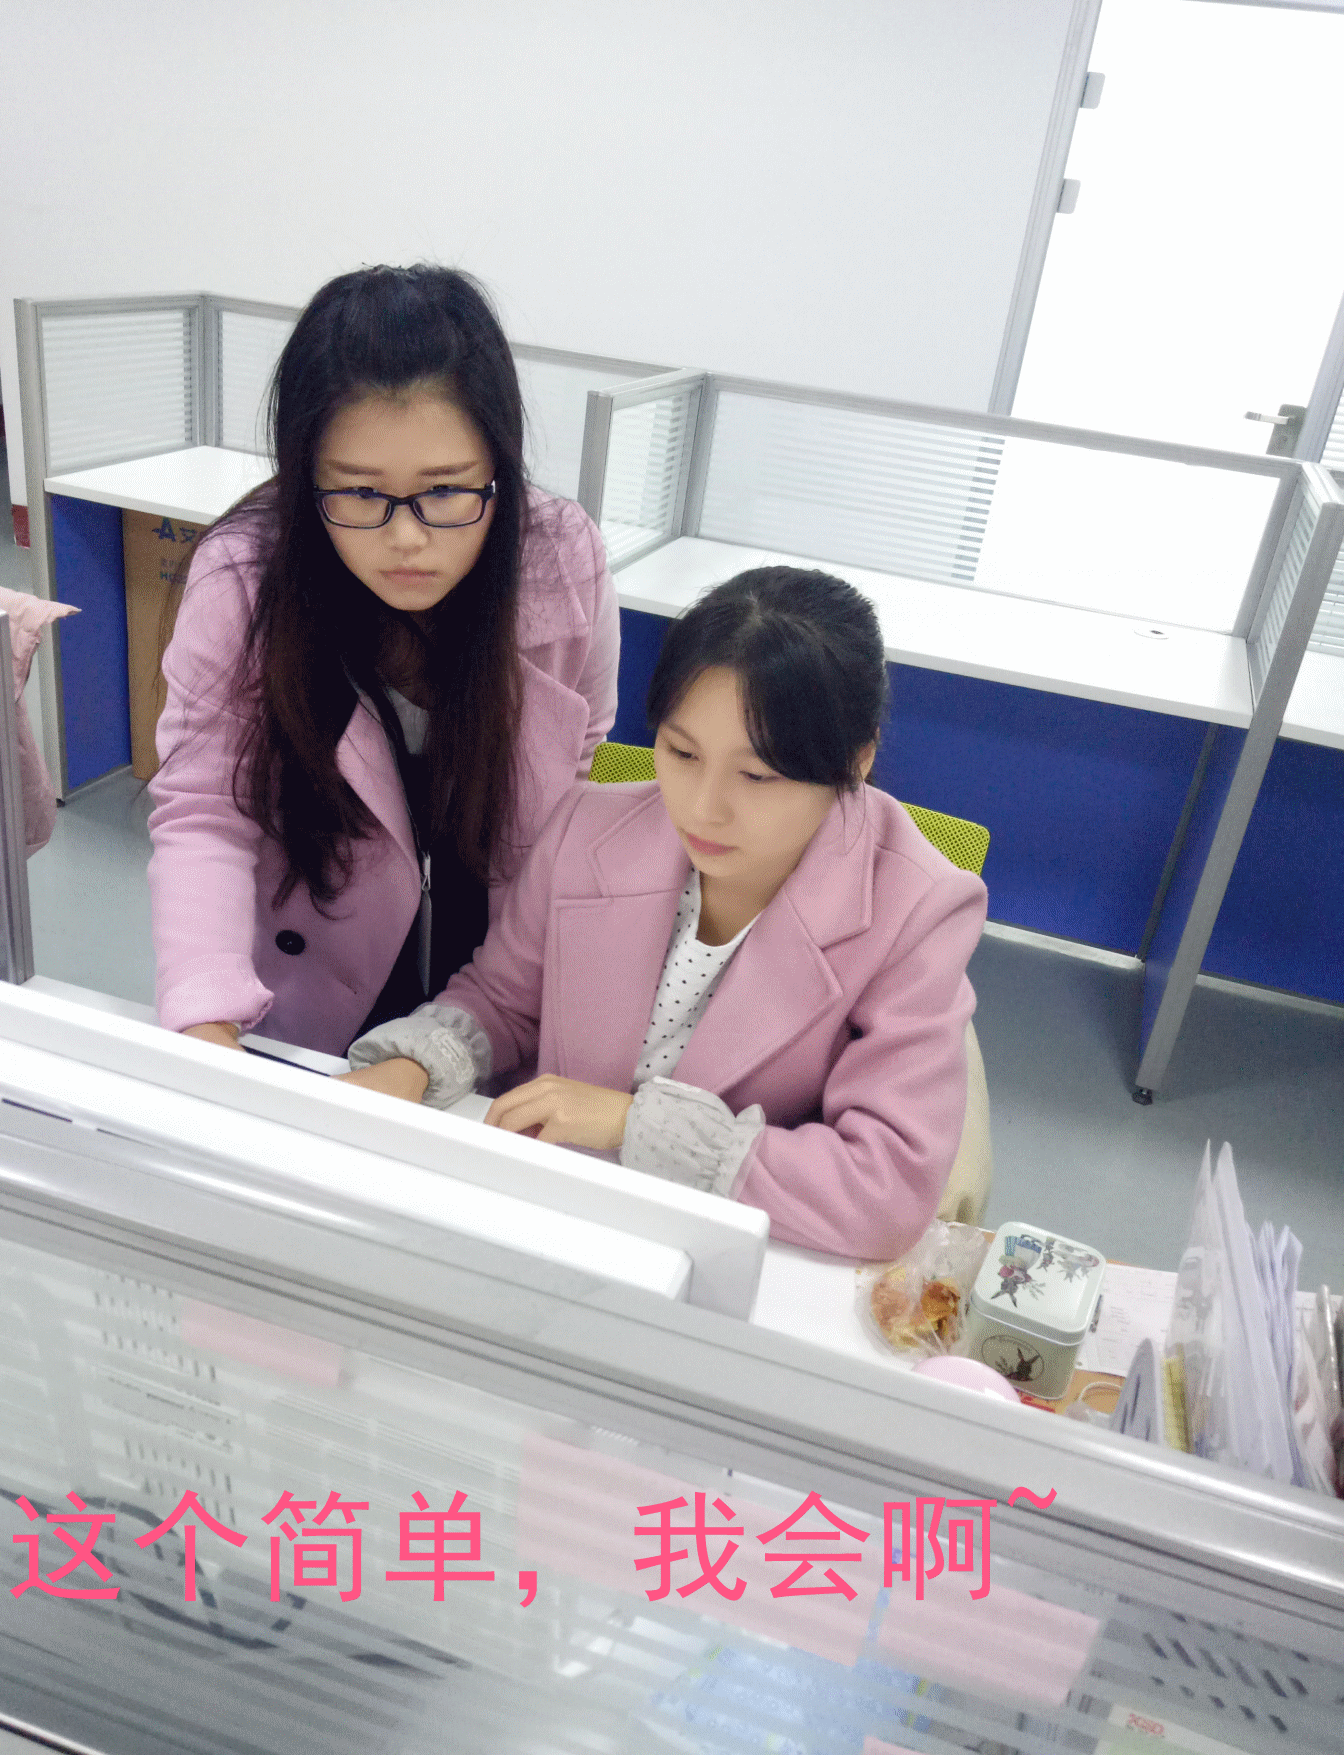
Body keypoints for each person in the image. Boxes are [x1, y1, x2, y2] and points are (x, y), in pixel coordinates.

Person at [343, 565, 988, 1261]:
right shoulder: (589, 826)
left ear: (856, 762)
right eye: (682, 752)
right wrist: (419, 1060)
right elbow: (502, 1000)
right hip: (548, 1214)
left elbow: (885, 1189)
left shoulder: (919, 908)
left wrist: (634, 1124)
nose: (702, 807)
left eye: (757, 775)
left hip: (722, 1250)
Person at [147, 265, 620, 1056]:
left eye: (447, 491)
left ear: (499, 468)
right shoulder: (244, 578)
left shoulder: (564, 561)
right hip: (315, 984)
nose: (407, 538)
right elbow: (204, 810)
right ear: (307, 476)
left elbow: (575, 775)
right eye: (361, 494)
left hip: (493, 987)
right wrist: (206, 1025)